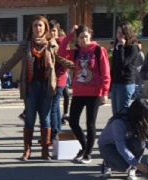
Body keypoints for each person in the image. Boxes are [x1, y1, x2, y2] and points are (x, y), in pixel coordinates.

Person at [0, 16, 70, 161]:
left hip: (47, 87)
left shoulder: (51, 44)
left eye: (40, 25)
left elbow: (61, 60)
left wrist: (76, 67)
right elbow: (11, 62)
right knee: (30, 120)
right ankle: (27, 150)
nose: (38, 28)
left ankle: (45, 151)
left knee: (46, 119)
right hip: (31, 88)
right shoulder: (25, 45)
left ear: (45, 28)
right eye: (35, 26)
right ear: (31, 28)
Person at [59, 25, 111, 164]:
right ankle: (84, 147)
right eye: (81, 37)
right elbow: (61, 51)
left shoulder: (99, 50)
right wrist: (69, 35)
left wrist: (104, 92)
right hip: (78, 92)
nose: (84, 40)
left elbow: (106, 73)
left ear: (90, 36)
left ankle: (88, 154)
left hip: (94, 93)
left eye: (86, 37)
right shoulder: (76, 52)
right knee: (73, 121)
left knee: (90, 124)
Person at [98, 98, 148, 180]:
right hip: (109, 145)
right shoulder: (119, 122)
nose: (145, 119)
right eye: (144, 116)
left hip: (127, 141)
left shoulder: (141, 119)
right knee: (124, 166)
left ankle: (133, 169)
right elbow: (121, 147)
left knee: (140, 142)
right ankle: (107, 163)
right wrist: (137, 164)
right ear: (137, 114)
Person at [111, 21, 140, 114]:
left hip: (125, 83)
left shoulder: (133, 48)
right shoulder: (117, 47)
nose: (119, 35)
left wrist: (121, 48)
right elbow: (115, 66)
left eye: (121, 33)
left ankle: (125, 129)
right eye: (117, 32)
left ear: (127, 34)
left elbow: (123, 63)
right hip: (116, 82)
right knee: (115, 113)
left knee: (122, 112)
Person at [49, 21, 68, 140]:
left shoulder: (61, 43)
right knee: (55, 107)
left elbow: (64, 65)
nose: (52, 33)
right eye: (50, 31)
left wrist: (56, 77)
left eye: (54, 31)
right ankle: (56, 132)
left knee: (53, 108)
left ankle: (55, 134)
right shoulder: (50, 43)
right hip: (51, 80)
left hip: (58, 79)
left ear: (58, 31)